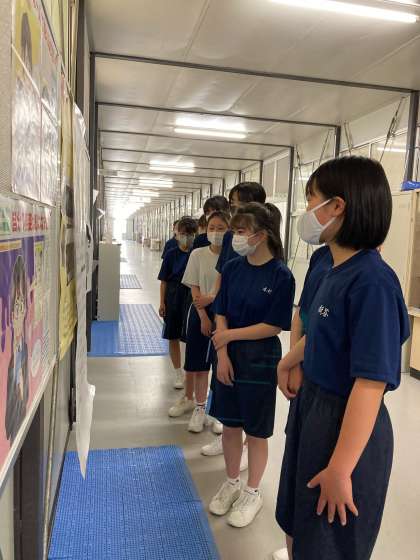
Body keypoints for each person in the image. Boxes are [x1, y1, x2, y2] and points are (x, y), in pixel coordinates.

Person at [274, 156, 410, 560]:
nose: (306, 210)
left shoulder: (373, 283)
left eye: (311, 199)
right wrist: (288, 360)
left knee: (329, 544)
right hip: (313, 410)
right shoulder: (334, 268)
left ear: (337, 206)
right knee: (299, 524)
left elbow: (370, 384)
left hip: (345, 424)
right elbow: (322, 333)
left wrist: (340, 468)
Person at [208, 203, 295, 528]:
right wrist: (223, 354)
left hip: (261, 359)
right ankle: (232, 481)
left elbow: (273, 326)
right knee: (230, 425)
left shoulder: (281, 275)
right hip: (228, 356)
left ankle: (252, 491)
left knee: (256, 431)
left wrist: (228, 336)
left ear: (262, 235)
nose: (235, 237)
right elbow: (220, 310)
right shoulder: (233, 268)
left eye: (241, 231)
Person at [168, 211, 230, 430]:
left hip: (225, 315)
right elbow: (194, 288)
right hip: (199, 312)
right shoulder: (198, 254)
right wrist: (203, 317)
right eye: (212, 227)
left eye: (221, 228)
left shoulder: (233, 257)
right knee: (199, 366)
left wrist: (212, 300)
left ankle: (219, 413)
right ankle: (199, 409)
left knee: (222, 365)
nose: (216, 232)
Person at [158, 217, 198, 389]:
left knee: (192, 335)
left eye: (189, 234)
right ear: (176, 234)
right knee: (173, 335)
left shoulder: (197, 253)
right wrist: (162, 302)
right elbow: (164, 281)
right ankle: (177, 373)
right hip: (173, 295)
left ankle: (192, 373)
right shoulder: (171, 254)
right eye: (182, 234)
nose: (186, 237)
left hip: (192, 294)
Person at [6, 255, 29, 443]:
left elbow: (25, 396)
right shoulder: (9, 359)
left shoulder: (25, 351)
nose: (18, 312)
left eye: (22, 305)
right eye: (16, 305)